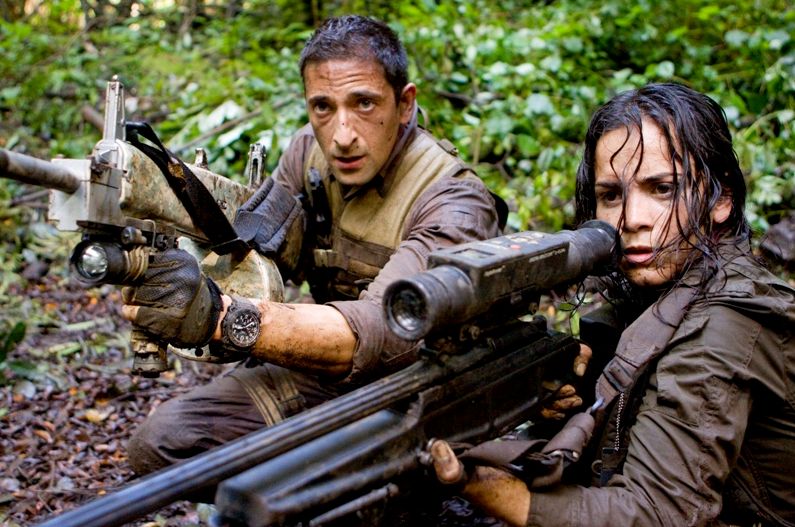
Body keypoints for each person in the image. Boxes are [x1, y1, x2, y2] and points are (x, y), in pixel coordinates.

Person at [121, 15, 506, 475]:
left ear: (405, 104)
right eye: (323, 107)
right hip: (330, 373)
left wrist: (221, 319)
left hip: (426, 390)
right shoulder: (309, 153)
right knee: (163, 444)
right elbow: (261, 260)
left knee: (326, 488)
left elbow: (387, 332)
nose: (342, 136)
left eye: (364, 103)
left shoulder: (453, 199)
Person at [430, 83, 795, 526]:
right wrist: (561, 392)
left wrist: (478, 483)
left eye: (662, 189)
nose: (631, 219)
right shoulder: (646, 290)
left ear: (721, 201)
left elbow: (657, 513)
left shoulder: (726, 321)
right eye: (611, 195)